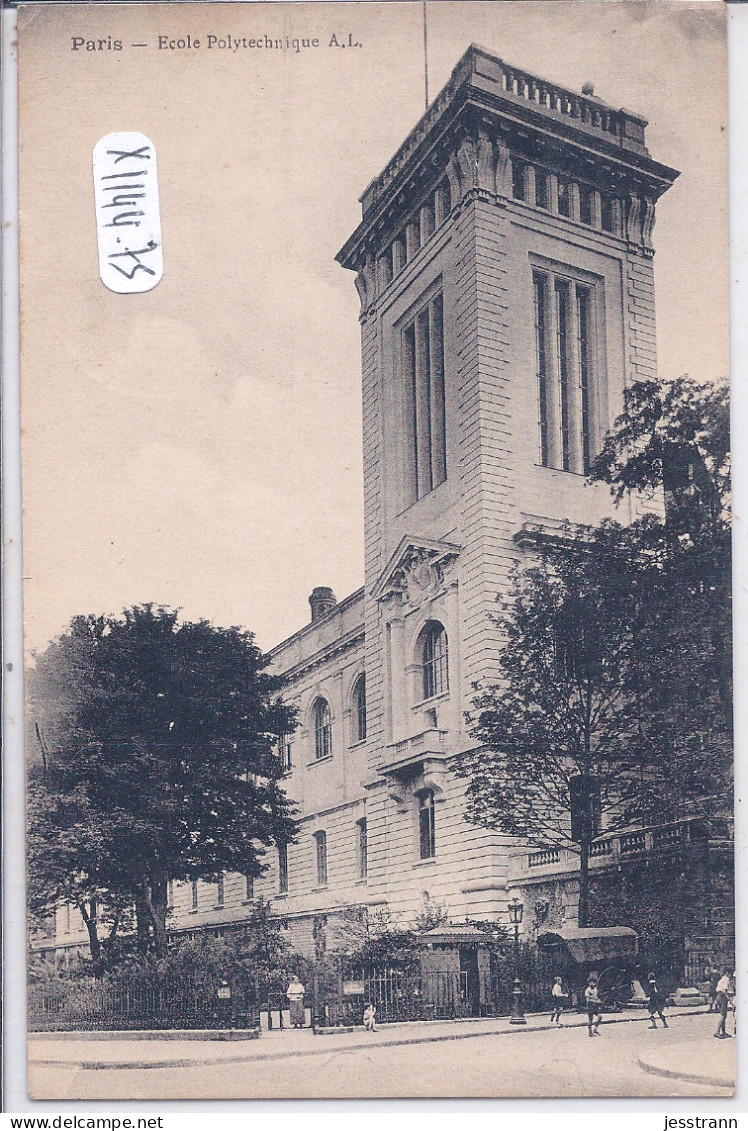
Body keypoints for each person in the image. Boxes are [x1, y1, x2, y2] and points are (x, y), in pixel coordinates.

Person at [714, 967, 732, 1039]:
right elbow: (724, 990)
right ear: (728, 973)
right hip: (722, 997)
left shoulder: (721, 979)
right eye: (730, 974)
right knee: (723, 1015)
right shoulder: (726, 979)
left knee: (724, 1014)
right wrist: (729, 998)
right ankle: (717, 1032)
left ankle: (723, 1032)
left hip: (718, 996)